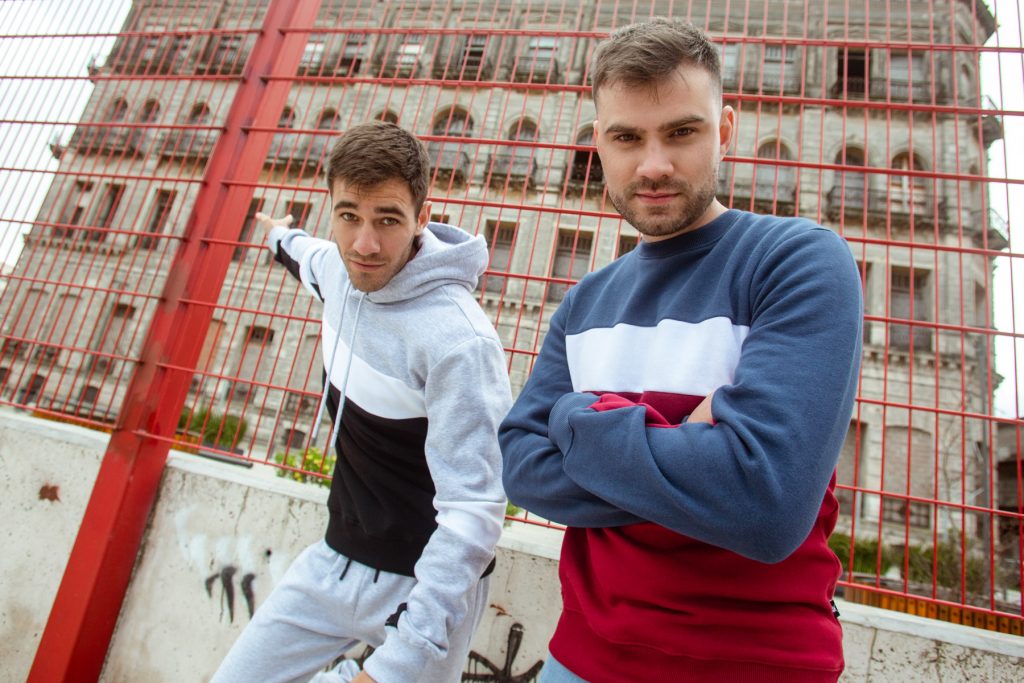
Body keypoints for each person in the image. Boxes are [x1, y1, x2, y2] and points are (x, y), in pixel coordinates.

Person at [499, 18, 863, 683]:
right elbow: (522, 466)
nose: (654, 165)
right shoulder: (583, 303)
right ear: (598, 143)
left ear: (724, 132)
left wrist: (577, 420)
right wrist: (691, 454)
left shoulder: (798, 262)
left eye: (682, 132)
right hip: (578, 658)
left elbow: (764, 504)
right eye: (627, 138)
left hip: (756, 668)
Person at [213, 121, 512, 683]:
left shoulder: (459, 343)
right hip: (332, 561)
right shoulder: (336, 268)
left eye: (388, 220)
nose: (364, 245)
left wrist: (405, 654)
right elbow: (302, 253)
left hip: (426, 589)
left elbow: (474, 512)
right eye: (348, 216)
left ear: (422, 217)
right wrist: (276, 233)